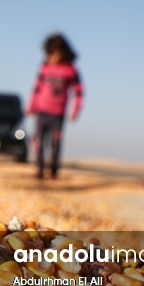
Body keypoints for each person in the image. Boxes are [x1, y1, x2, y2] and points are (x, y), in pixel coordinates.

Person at [26, 32, 83, 180]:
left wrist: (75, 111)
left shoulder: (71, 70)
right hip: (41, 110)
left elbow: (79, 92)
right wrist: (31, 105)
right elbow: (36, 88)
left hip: (58, 112)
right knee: (38, 141)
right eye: (48, 53)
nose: (51, 57)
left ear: (63, 52)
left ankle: (54, 170)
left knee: (55, 143)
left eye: (54, 53)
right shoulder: (44, 67)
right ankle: (39, 167)